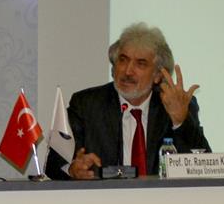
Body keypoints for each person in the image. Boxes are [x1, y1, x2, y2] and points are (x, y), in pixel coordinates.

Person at [49, 22, 210, 179]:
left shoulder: (177, 105)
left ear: (157, 75)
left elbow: (204, 165)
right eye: (123, 60)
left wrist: (180, 122)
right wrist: (72, 169)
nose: (128, 71)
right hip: (104, 196)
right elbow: (53, 163)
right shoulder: (86, 105)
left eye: (141, 64)